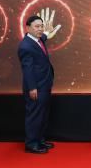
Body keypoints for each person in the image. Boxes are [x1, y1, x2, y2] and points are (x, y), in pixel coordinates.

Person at [18, 9, 60, 154]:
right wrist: (32, 88)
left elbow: (45, 36)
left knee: (43, 115)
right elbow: (27, 69)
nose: (40, 29)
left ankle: (40, 140)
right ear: (28, 28)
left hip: (45, 84)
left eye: (41, 26)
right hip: (36, 87)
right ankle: (31, 144)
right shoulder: (25, 46)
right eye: (37, 26)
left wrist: (48, 32)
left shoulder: (38, 39)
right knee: (34, 115)